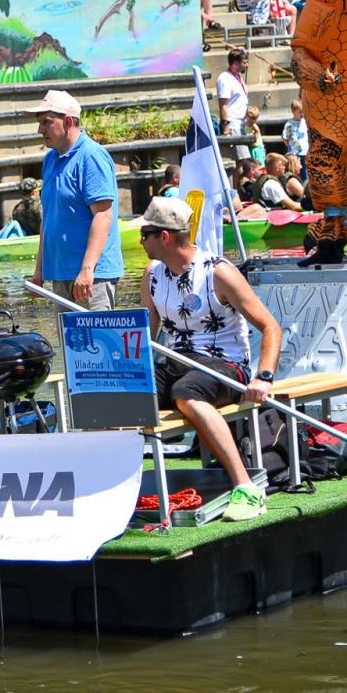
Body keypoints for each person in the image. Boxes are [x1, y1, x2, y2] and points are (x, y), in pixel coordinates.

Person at [137, 197, 283, 523]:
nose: (140, 241)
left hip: (225, 364)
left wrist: (264, 377)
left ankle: (245, 486)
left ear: (163, 236)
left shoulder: (219, 273)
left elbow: (269, 326)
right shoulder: (152, 275)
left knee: (186, 395)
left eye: (144, 234)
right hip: (176, 361)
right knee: (124, 393)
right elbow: (146, 336)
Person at [27, 89, 123, 311]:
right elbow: (49, 218)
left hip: (92, 276)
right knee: (71, 344)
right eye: (39, 123)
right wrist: (40, 270)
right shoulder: (50, 159)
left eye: (46, 122)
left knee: (99, 342)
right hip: (61, 272)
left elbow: (103, 215)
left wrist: (87, 270)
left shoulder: (91, 156)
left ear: (68, 121)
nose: (40, 129)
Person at [216, 47, 250, 162]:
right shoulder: (225, 78)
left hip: (241, 124)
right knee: (241, 162)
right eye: (244, 62)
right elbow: (223, 105)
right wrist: (226, 128)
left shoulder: (238, 76)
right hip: (233, 125)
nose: (247, 65)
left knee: (243, 162)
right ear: (235, 63)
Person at [281, 97, 308, 180]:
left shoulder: (305, 121)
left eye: (303, 112)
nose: (302, 114)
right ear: (293, 112)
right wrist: (290, 147)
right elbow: (285, 138)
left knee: (305, 171)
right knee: (294, 171)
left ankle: (305, 185)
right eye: (300, 112)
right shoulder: (289, 124)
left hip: (305, 151)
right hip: (294, 153)